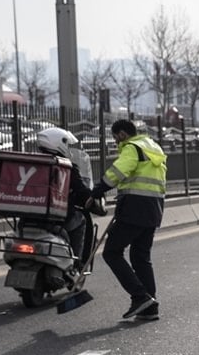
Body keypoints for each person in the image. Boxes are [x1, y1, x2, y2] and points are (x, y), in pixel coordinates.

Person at [88, 120, 167, 321]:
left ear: (122, 134)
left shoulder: (132, 148)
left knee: (112, 252)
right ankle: (150, 307)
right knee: (141, 257)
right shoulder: (153, 147)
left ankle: (140, 297)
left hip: (134, 208)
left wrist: (97, 191)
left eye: (115, 138)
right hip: (154, 209)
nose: (115, 142)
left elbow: (118, 172)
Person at [34, 127, 93, 263]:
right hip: (58, 218)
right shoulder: (66, 167)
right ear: (59, 143)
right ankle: (75, 263)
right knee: (81, 220)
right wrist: (92, 198)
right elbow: (81, 191)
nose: (68, 148)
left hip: (30, 216)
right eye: (67, 144)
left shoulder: (32, 162)